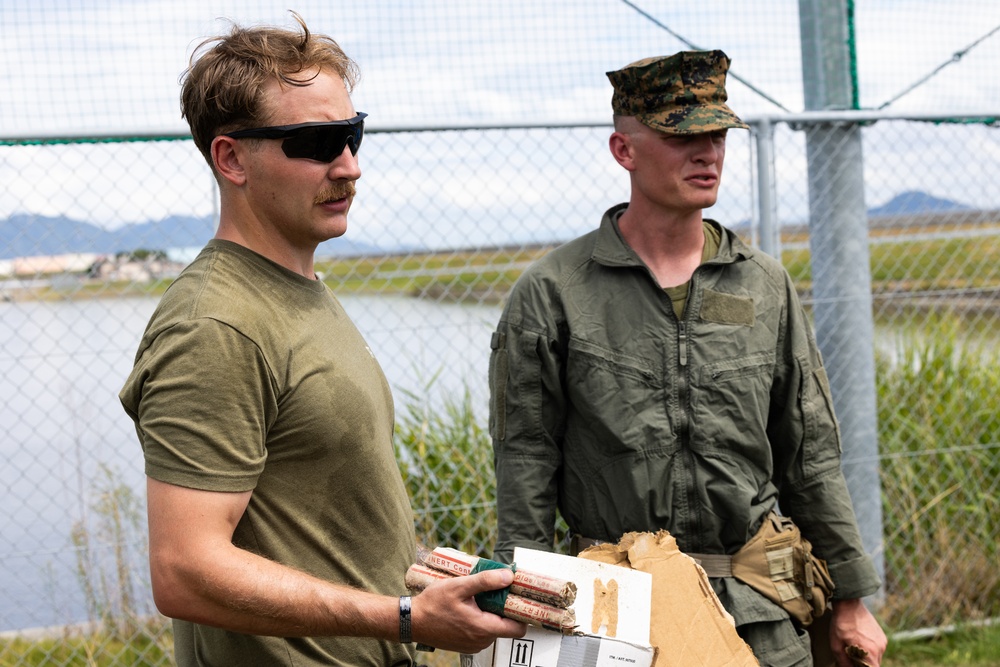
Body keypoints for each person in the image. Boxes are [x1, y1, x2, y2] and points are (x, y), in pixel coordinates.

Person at [119, 13, 525, 666]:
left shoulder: (300, 287)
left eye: (353, 134)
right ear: (231, 158)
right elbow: (185, 569)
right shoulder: (215, 324)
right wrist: (402, 616)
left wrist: (421, 581)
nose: (351, 165)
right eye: (318, 141)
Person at [488, 50, 887, 667]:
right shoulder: (555, 293)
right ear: (625, 150)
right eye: (683, 136)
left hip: (758, 612)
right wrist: (523, 601)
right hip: (621, 614)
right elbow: (526, 460)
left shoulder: (763, 286)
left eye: (718, 135)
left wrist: (851, 599)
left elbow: (811, 457)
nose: (708, 153)